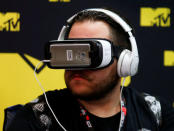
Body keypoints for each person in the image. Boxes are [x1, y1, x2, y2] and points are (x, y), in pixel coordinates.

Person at [4, 8, 174, 131]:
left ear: (124, 61)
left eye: (90, 54)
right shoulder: (36, 117)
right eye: (69, 53)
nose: (77, 65)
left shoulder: (157, 114)